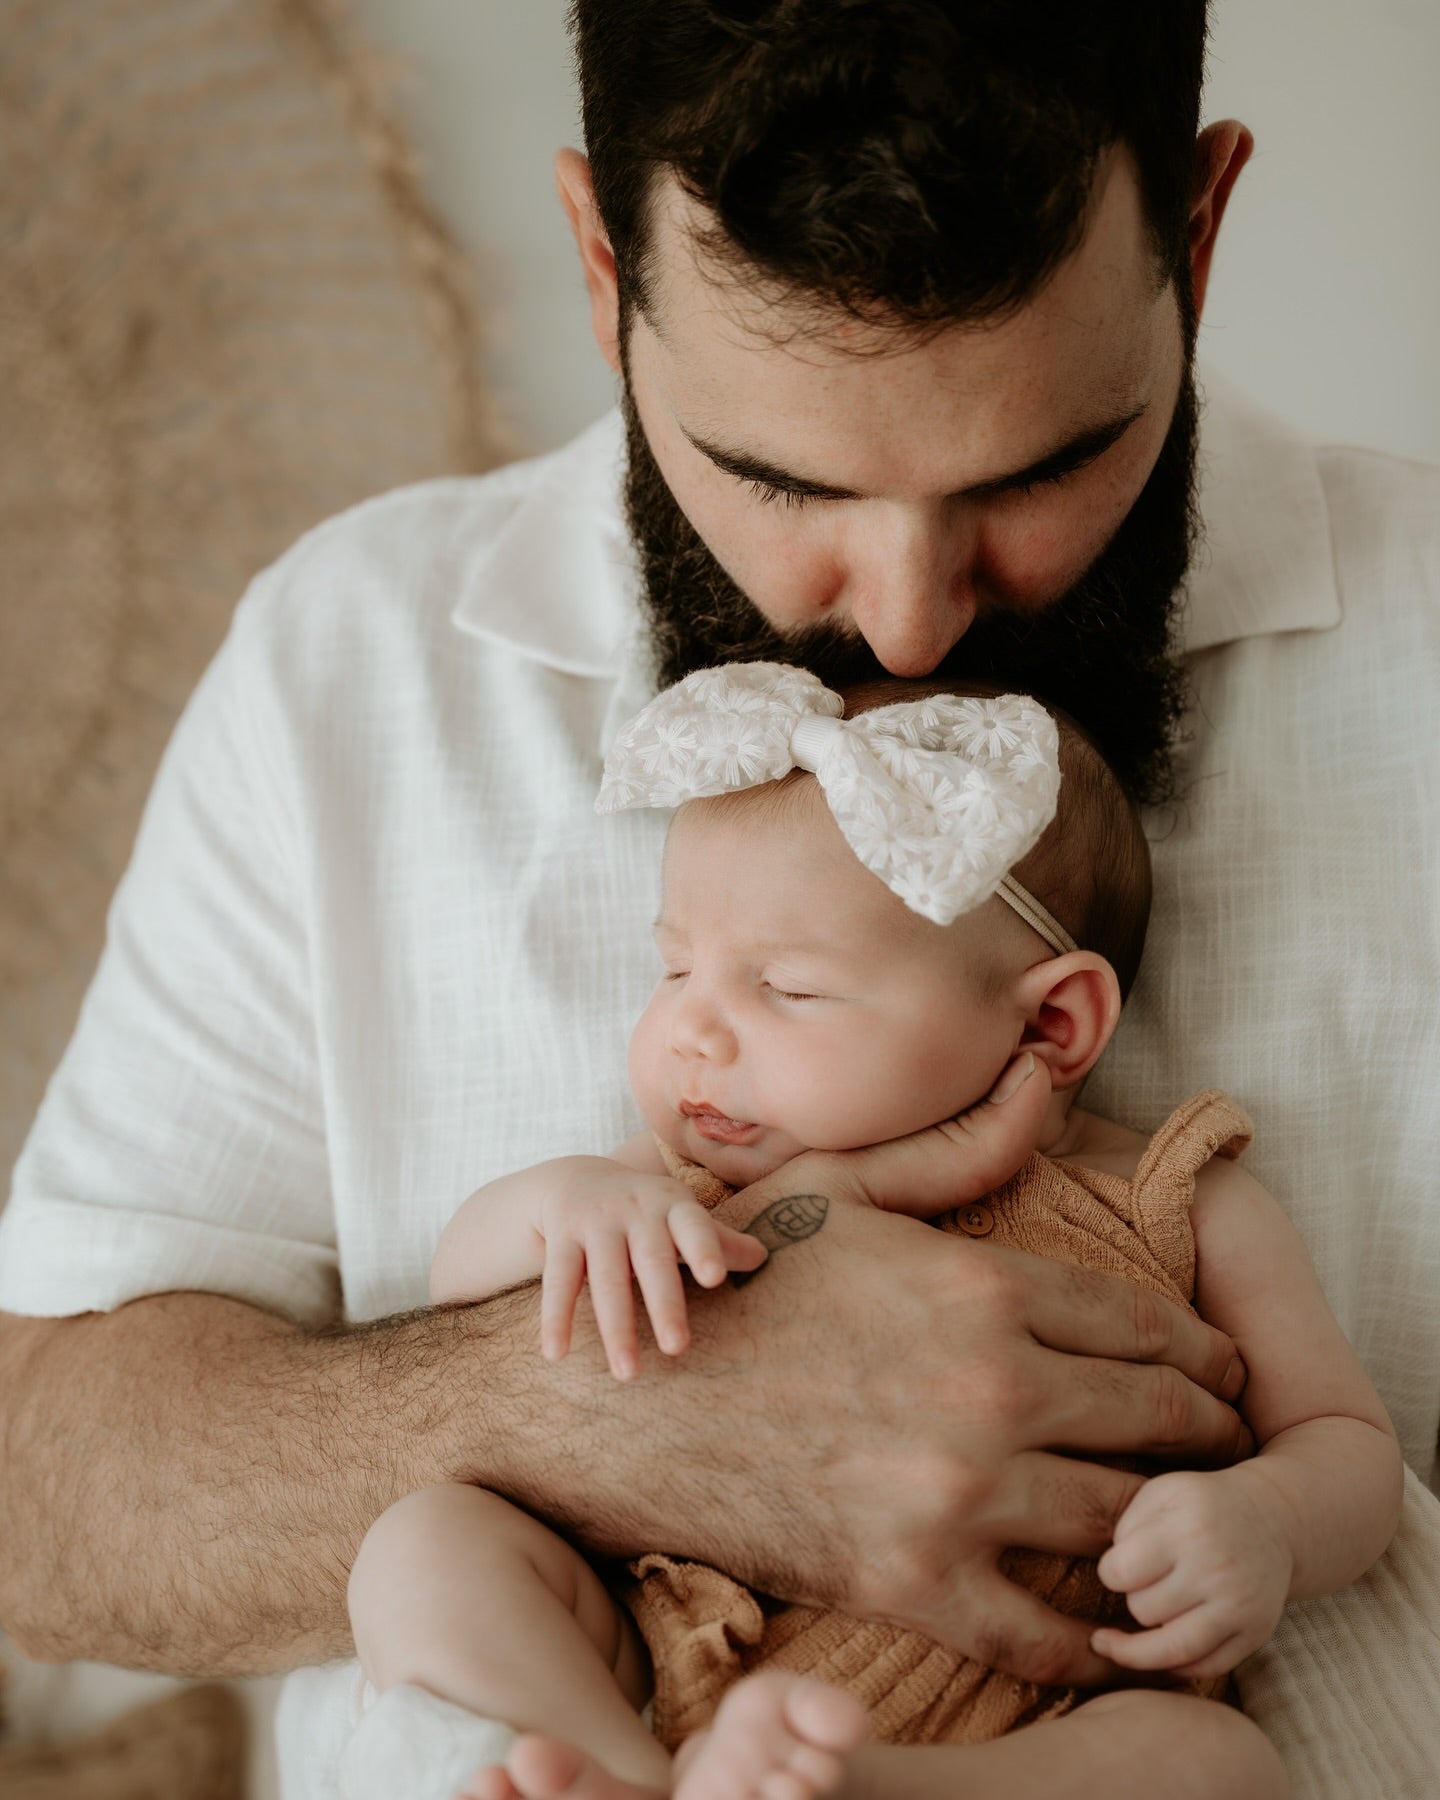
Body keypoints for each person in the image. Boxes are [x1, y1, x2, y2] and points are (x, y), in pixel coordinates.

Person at [1, 6, 1438, 1797]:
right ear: (605, 269)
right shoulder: (343, 662)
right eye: (781, 479)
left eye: (1039, 468)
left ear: (1202, 238)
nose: (910, 621)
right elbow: (38, 1500)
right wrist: (609, 1418)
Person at [337, 669, 1396, 1800]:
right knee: (424, 1546)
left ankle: (857, 1786)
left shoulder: (1171, 1198)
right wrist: (565, 1206)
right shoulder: (674, 1186)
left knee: (1218, 1765)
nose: (691, 1030)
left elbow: (1347, 1443)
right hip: (680, 1655)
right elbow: (461, 1290)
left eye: (789, 989)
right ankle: (605, 1772)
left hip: (1037, 1720)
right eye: (677, 968)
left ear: (1050, 1021)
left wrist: (1269, 1520)